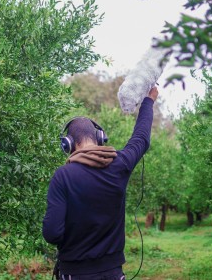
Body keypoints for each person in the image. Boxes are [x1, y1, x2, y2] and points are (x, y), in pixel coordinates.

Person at [43, 87, 158, 280]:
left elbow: (52, 233)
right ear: (100, 138)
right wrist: (149, 100)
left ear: (68, 144)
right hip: (112, 272)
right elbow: (141, 138)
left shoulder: (63, 176)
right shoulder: (120, 164)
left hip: (75, 273)